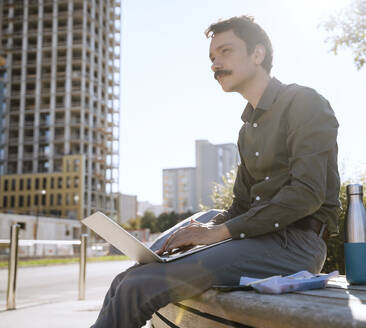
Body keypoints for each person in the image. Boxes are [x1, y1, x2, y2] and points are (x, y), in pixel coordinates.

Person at [91, 15, 340, 328]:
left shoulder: (304, 102)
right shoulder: (248, 130)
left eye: (225, 51)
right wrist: (198, 235)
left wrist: (216, 233)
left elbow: (307, 194)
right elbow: (240, 206)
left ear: (257, 54)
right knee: (125, 280)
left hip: (296, 246)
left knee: (137, 286)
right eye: (212, 57)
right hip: (258, 240)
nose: (215, 63)